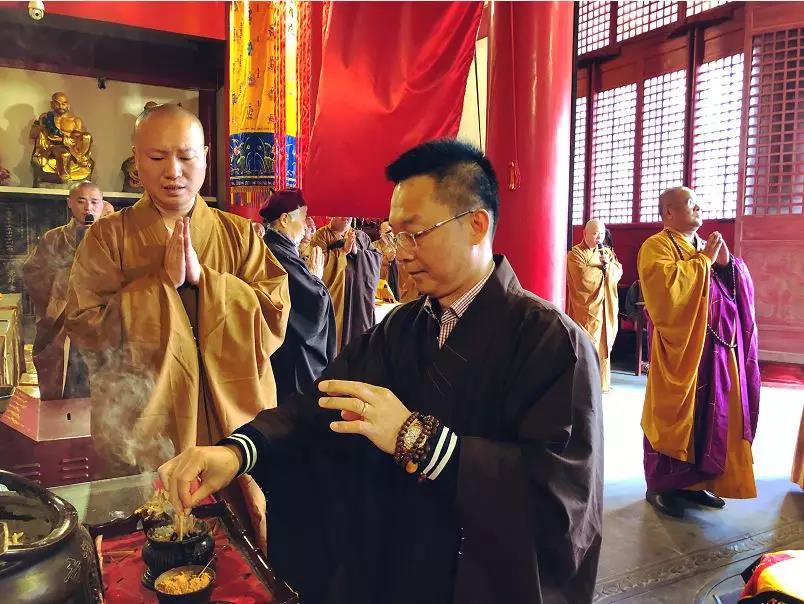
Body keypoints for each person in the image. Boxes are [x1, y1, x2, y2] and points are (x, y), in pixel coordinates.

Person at [158, 139, 604, 604]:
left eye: (416, 233)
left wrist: (420, 439)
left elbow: (559, 502)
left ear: (476, 225)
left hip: (476, 581)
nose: (402, 252)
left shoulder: (553, 344)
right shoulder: (401, 328)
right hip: (392, 569)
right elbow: (321, 404)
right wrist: (238, 452)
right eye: (395, 235)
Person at [64, 104, 290, 547]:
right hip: (146, 427)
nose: (173, 171)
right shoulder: (108, 238)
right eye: (156, 158)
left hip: (232, 422)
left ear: (207, 157)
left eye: (186, 157)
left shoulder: (239, 236)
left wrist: (209, 282)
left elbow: (274, 316)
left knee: (241, 549)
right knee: (146, 548)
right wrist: (158, 286)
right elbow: (85, 327)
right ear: (135, 161)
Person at [638, 186, 760, 518]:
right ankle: (662, 485)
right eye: (691, 204)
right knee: (674, 418)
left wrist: (724, 265)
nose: (699, 209)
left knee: (710, 418)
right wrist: (704, 262)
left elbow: (735, 287)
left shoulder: (701, 247)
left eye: (699, 204)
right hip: (679, 353)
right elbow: (664, 291)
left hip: (715, 350)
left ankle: (694, 485)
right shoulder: (656, 246)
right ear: (668, 213)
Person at [22, 181, 103, 400]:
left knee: (98, 379)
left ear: (103, 205)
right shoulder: (53, 238)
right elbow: (33, 272)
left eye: (94, 202)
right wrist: (63, 283)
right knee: (63, 374)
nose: (89, 208)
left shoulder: (109, 237)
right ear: (69, 203)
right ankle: (59, 420)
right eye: (81, 201)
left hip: (99, 320)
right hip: (62, 321)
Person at [259, 189, 336, 401]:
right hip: (291, 354)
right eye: (303, 219)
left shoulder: (279, 248)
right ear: (284, 219)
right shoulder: (277, 252)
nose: (305, 227)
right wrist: (316, 279)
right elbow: (313, 303)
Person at [566, 219, 623, 393]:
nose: (599, 237)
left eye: (602, 233)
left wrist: (608, 265)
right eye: (594, 233)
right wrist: (603, 266)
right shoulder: (575, 254)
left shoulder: (606, 252)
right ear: (584, 234)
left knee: (604, 344)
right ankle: (586, 384)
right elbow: (583, 279)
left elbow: (618, 271)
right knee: (588, 343)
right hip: (587, 309)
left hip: (606, 307)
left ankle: (602, 383)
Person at [311, 216, 381, 350]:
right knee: (336, 336)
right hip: (337, 297)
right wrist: (342, 251)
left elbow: (376, 259)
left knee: (360, 334)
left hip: (360, 296)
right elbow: (317, 266)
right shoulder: (320, 236)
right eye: (341, 214)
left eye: (349, 214)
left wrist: (358, 253)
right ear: (331, 215)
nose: (346, 217)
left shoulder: (361, 236)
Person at [372, 220, 419, 303]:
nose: (389, 234)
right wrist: (386, 260)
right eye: (387, 232)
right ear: (380, 233)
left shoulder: (401, 244)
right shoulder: (374, 245)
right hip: (384, 281)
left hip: (400, 281)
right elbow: (373, 264)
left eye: (391, 231)